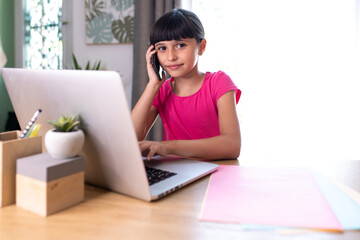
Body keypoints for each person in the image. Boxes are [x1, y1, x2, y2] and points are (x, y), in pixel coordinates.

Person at [131, 8, 241, 160]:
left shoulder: (219, 83)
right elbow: (130, 140)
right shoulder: (161, 91)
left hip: (216, 172)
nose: (171, 57)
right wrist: (152, 85)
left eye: (180, 45)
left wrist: (168, 147)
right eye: (162, 48)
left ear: (201, 47)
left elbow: (232, 146)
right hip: (177, 173)